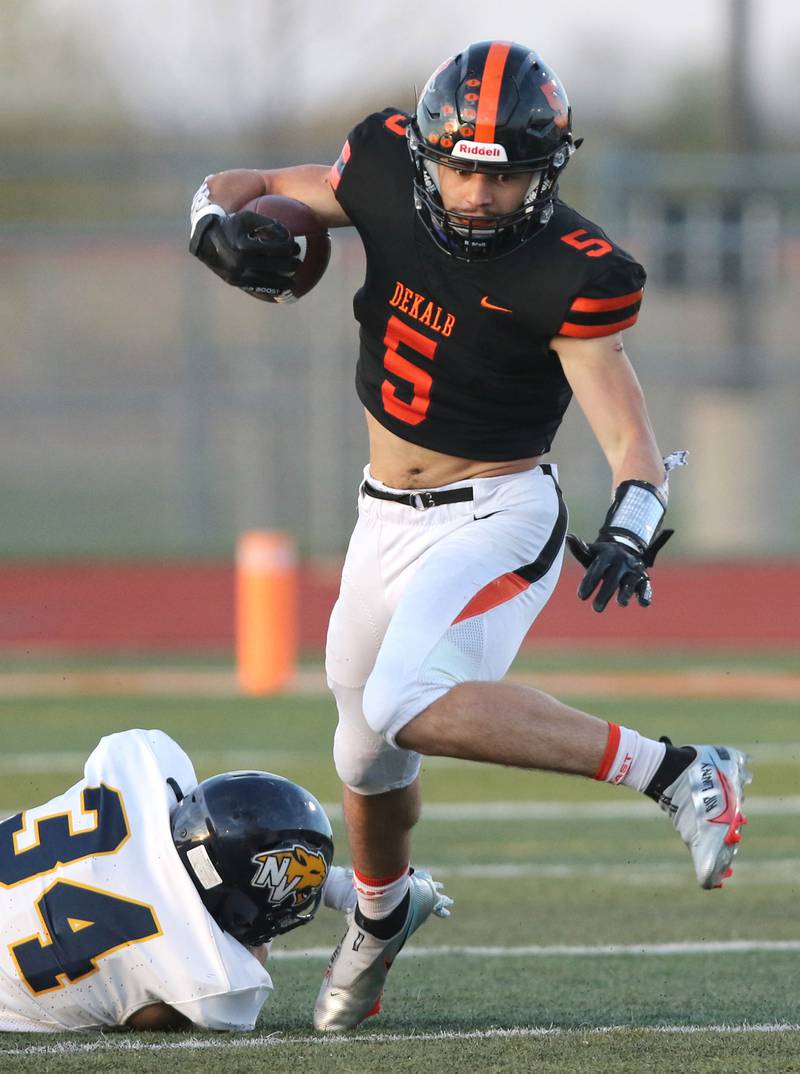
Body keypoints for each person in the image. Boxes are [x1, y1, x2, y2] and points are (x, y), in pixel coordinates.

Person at [188, 40, 751, 1033]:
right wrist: (210, 225)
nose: (479, 191)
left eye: (504, 173)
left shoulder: (571, 270)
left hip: (496, 517)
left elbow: (626, 431)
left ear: (545, 169)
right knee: (362, 760)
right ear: (427, 152)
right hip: (380, 512)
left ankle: (679, 771)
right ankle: (381, 909)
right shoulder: (377, 166)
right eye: (460, 166)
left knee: (408, 699)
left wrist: (631, 517)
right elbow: (252, 184)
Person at [0, 727, 438, 1031]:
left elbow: (216, 862)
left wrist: (325, 883)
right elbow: (157, 1016)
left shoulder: (143, 767)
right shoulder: (210, 974)